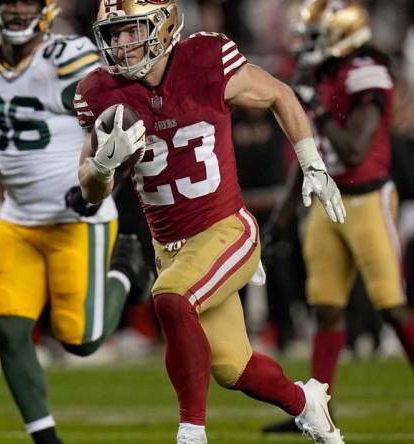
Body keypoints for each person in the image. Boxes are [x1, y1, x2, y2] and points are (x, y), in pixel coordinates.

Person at [75, 1, 347, 443]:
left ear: (163, 27)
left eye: (131, 31)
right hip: (172, 248)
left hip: (226, 229)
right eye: (114, 33)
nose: (121, 44)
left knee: (169, 296)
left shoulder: (204, 60)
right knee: (232, 368)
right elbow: (89, 188)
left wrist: (312, 163)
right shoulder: (101, 92)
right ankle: (307, 403)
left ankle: (191, 432)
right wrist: (103, 168)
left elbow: (278, 92)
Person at [0, 1, 150, 442]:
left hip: (78, 218)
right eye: (8, 2)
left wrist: (102, 185)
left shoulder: (69, 60)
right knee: (10, 329)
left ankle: (126, 273)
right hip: (18, 219)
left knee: (81, 340)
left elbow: (123, 129)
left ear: (44, 8)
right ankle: (45, 438)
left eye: (26, 2)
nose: (16, 11)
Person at [263, 0, 414, 434]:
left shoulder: (367, 72)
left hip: (368, 200)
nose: (306, 47)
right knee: (325, 308)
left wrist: (321, 109)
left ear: (342, 36)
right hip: (330, 200)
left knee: (392, 306)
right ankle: (315, 409)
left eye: (315, 37)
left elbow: (352, 149)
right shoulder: (324, 75)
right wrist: (282, 216)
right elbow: (312, 156)